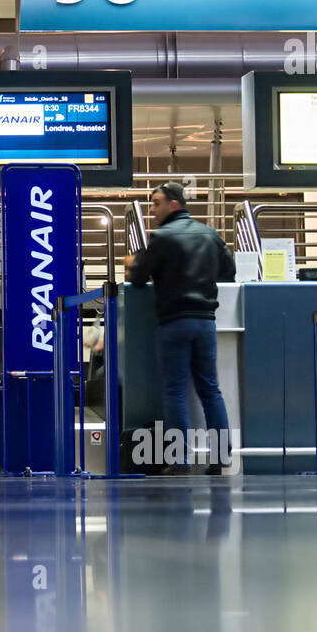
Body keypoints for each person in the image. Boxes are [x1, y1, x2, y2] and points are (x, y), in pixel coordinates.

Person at [126, 181, 236, 474]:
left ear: (174, 204)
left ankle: (179, 460)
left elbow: (137, 278)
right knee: (210, 389)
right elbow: (229, 272)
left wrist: (134, 263)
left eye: (156, 203)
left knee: (175, 391)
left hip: (173, 322)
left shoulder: (162, 237)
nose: (152, 209)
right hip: (205, 322)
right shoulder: (209, 234)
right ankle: (220, 456)